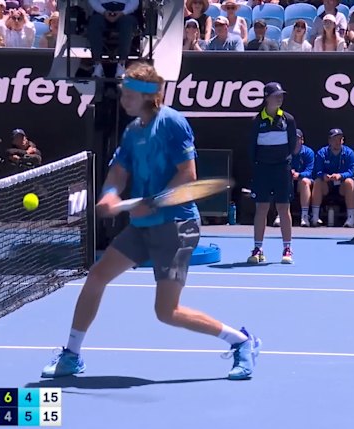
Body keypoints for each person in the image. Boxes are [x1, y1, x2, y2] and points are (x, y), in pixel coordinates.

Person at [41, 62, 261, 381]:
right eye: (123, 93)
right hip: (143, 227)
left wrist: (155, 202)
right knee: (97, 276)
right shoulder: (133, 131)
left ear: (147, 96)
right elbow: (119, 171)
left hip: (177, 227)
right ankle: (72, 355)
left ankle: (241, 341)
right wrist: (110, 194)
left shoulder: (172, 123)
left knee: (167, 312)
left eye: (128, 95)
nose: (123, 100)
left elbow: (188, 174)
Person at [247, 82, 297, 265]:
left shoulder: (288, 120)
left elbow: (292, 145)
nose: (280, 98)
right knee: (261, 208)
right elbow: (252, 148)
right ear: (267, 98)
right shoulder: (256, 121)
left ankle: (287, 249)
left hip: (282, 169)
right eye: (276, 95)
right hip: (263, 170)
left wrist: (283, 161)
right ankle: (258, 249)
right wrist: (260, 164)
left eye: (281, 95)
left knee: (283, 208)